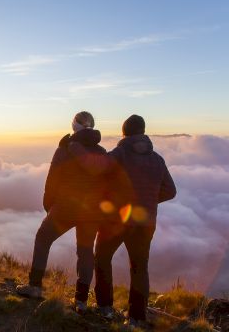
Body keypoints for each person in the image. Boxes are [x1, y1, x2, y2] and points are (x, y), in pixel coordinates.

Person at [17, 111, 108, 313]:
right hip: (92, 211)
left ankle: (34, 286)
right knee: (85, 252)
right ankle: (81, 301)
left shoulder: (65, 149)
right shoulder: (102, 152)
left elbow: (52, 181)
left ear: (75, 125)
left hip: (66, 207)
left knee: (43, 238)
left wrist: (50, 207)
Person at [94, 115, 177, 326]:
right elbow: (170, 191)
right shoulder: (157, 159)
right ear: (143, 132)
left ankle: (104, 307)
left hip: (116, 220)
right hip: (146, 223)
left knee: (102, 258)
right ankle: (136, 317)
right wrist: (147, 200)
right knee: (140, 267)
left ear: (124, 132)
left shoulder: (119, 154)